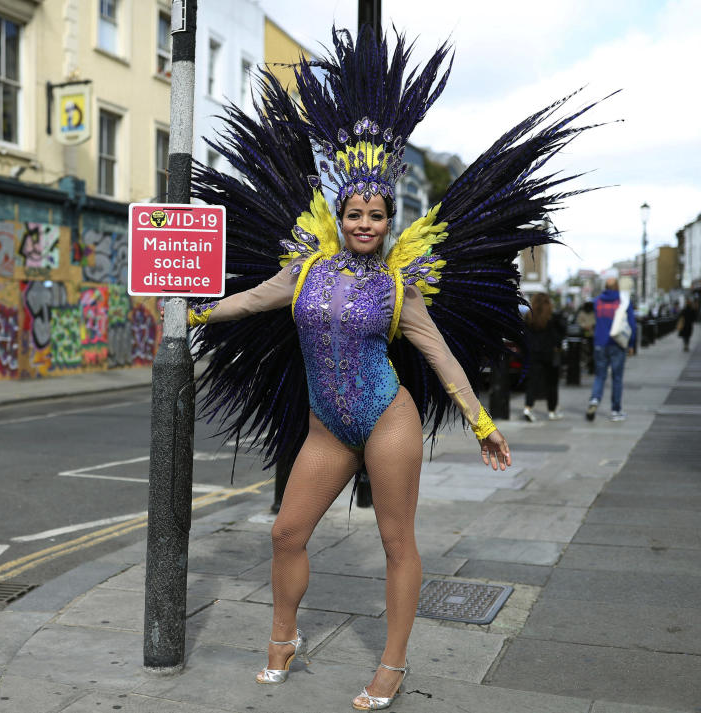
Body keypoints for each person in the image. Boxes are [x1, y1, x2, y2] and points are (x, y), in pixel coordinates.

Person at [185, 27, 605, 710]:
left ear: (388, 217)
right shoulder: (304, 268)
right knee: (287, 531)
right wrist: (195, 315)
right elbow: (252, 300)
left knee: (394, 540)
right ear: (341, 212)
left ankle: (391, 663)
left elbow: (439, 357)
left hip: (386, 416)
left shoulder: (401, 285)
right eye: (354, 212)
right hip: (328, 425)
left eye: (375, 214)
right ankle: (284, 636)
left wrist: (482, 422)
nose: (364, 223)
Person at [586, 277, 637, 422]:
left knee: (600, 376)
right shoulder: (624, 301)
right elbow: (632, 325)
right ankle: (615, 411)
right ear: (617, 287)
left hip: (599, 343)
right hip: (617, 343)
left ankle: (594, 400)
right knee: (617, 378)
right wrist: (631, 344)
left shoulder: (597, 301)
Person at [522, 293, 565, 421]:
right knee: (551, 383)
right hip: (550, 353)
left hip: (533, 353)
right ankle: (552, 410)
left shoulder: (529, 317)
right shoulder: (552, 317)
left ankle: (528, 408)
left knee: (532, 382)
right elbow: (560, 334)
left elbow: (524, 335)